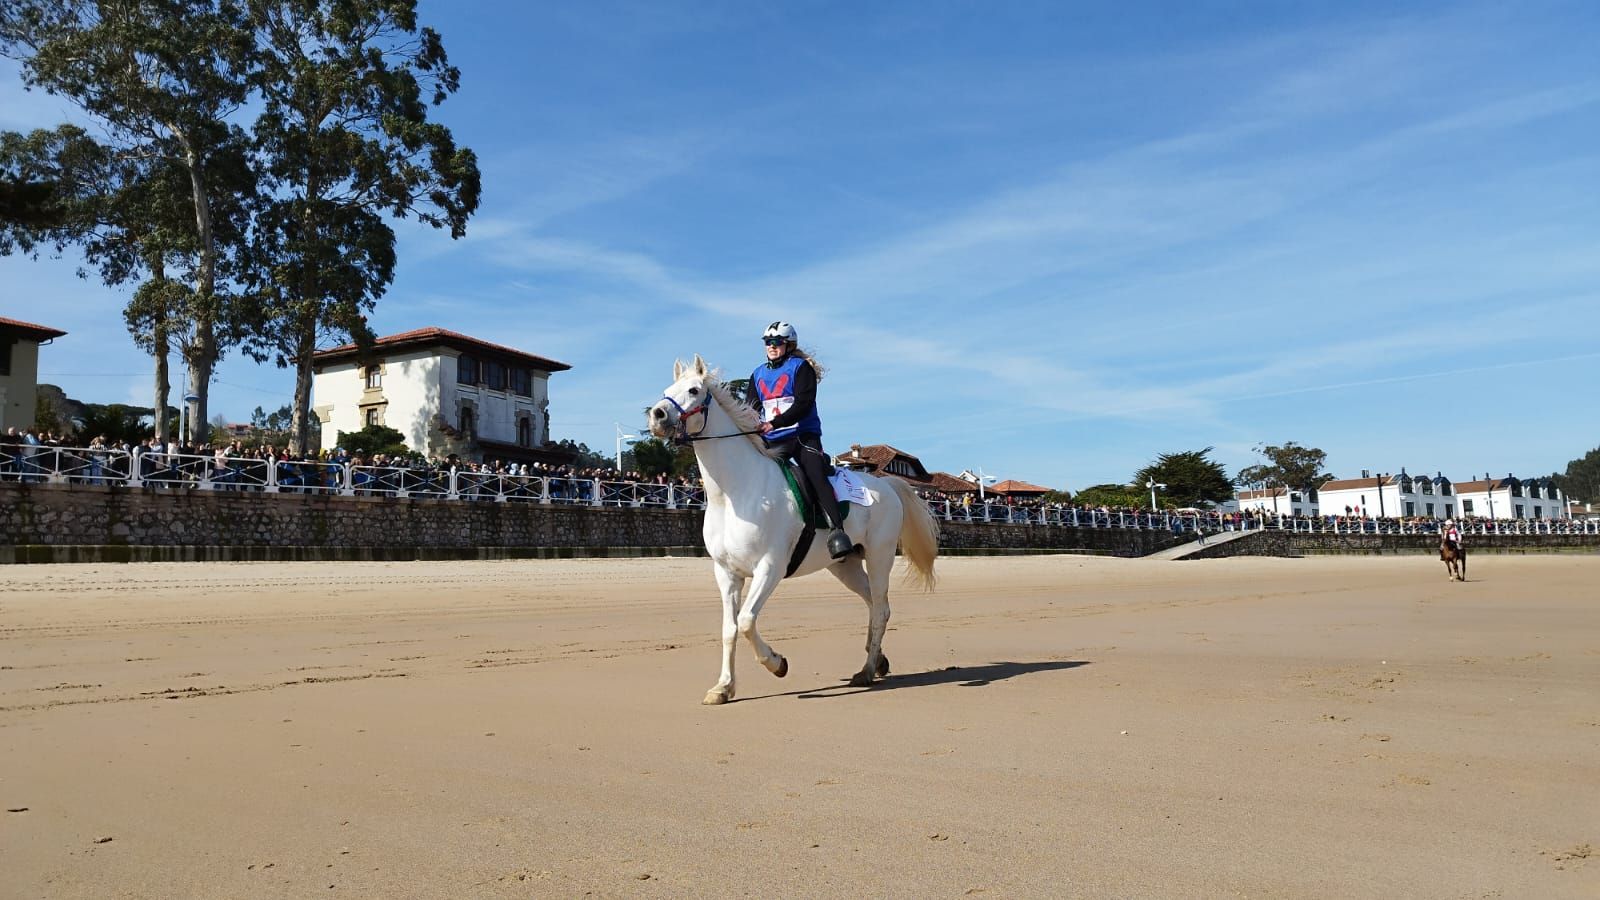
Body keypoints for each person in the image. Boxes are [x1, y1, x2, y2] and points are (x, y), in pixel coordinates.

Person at [749, 321, 853, 559]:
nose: (772, 347)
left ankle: (838, 531)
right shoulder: (756, 374)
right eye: (768, 342)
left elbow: (803, 404)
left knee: (814, 472)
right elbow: (751, 407)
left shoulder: (801, 368)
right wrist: (750, 424)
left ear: (788, 344)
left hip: (802, 436)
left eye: (777, 342)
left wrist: (773, 423)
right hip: (773, 439)